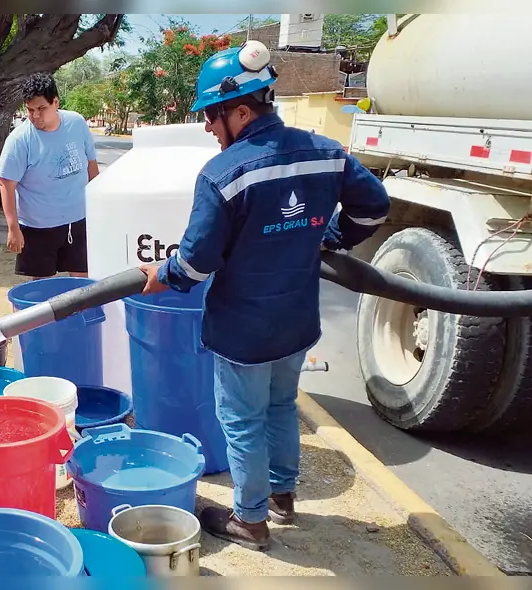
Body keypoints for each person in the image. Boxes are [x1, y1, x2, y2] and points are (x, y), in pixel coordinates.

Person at [139, 41, 391, 551]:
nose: (209, 126)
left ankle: (250, 521)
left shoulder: (222, 173)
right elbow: (374, 209)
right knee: (280, 407)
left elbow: (194, 262)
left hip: (242, 330)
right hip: (295, 322)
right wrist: (330, 236)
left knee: (242, 419)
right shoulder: (327, 153)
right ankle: (282, 497)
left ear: (240, 109)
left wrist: (160, 272)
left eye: (211, 115)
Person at [0, 72, 99, 279]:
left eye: (41, 109)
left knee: (83, 281)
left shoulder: (77, 123)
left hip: (78, 220)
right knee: (41, 287)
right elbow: (6, 184)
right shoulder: (19, 140)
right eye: (30, 110)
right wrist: (13, 227)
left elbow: (91, 165)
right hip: (38, 226)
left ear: (56, 102)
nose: (35, 116)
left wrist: (98, 209)